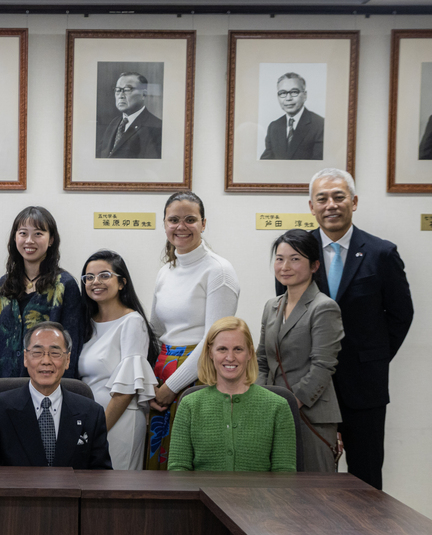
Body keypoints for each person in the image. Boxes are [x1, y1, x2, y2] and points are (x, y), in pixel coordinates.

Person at [275, 168, 413, 487]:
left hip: (364, 387)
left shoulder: (381, 253)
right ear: (311, 206)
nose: (331, 205)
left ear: (354, 201)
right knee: (307, 475)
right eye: (322, 198)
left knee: (365, 478)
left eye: (339, 197)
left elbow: (401, 315)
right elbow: (287, 313)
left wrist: (373, 357)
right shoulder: (295, 252)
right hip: (307, 385)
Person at [147, 191, 240, 470]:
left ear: (203, 223)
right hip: (162, 374)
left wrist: (170, 388)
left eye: (190, 219)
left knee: (190, 461)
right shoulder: (167, 271)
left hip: (198, 377)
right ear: (164, 223)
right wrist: (152, 381)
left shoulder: (219, 271)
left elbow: (214, 341)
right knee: (159, 461)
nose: (181, 227)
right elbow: (156, 330)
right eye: (173, 219)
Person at [258, 229, 343, 472]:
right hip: (272, 411)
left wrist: (288, 403)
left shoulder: (324, 307)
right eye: (279, 258)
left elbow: (323, 366)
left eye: (295, 259)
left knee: (315, 494)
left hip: (311, 414)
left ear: (315, 265)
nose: (285, 266)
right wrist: (264, 399)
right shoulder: (271, 306)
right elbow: (261, 359)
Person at [0, 322, 112, 469]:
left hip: (71, 492)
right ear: (26, 358)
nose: (46, 361)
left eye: (55, 353)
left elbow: (100, 475)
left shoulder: (92, 413)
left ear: (67, 360)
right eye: (37, 353)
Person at [169, 317, 296, 472]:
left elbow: (284, 474)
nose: (230, 357)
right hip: (201, 496)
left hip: (260, 497)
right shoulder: (189, 405)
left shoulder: (278, 406)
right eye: (222, 349)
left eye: (238, 349)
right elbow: (178, 471)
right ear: (210, 352)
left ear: (250, 353)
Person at [78, 250, 158, 470]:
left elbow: (126, 390)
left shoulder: (132, 321)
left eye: (105, 275)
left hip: (120, 420)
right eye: (89, 277)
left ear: (122, 283)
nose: (96, 282)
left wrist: (99, 430)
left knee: (117, 487)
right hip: (91, 422)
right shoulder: (86, 323)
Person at [0, 206, 83, 380]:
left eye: (38, 234)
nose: (29, 240)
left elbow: (72, 345)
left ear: (51, 239)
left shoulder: (65, 284)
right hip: (3, 382)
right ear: (14, 238)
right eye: (23, 233)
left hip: (47, 382)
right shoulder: (4, 284)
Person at [96, 72, 162, 159]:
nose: (121, 95)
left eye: (127, 89)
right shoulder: (114, 123)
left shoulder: (157, 126)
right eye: (118, 90)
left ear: (144, 94)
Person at [260, 72, 323, 161]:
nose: (288, 98)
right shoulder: (274, 127)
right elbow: (265, 163)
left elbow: (319, 165)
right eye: (282, 93)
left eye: (294, 92)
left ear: (305, 95)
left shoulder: (320, 125)